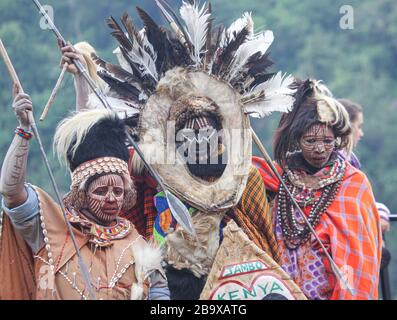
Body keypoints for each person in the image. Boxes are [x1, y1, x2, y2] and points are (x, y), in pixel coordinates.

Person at [55, 2, 302, 300]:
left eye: (206, 131)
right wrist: (83, 79)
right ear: (173, 137)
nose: (198, 140)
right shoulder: (152, 171)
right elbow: (96, 155)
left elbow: (263, 253)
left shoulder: (243, 178)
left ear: (221, 131)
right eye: (189, 132)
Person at [0, 87, 170, 300]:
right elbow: (11, 192)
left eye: (118, 191)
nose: (111, 198)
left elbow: (160, 295)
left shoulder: (139, 245)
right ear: (81, 192)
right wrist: (24, 130)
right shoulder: (49, 227)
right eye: (101, 190)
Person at [253, 79, 382, 300]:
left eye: (328, 141)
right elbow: (243, 178)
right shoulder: (278, 177)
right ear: (296, 140)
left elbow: (358, 258)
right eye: (310, 141)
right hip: (282, 292)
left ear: (338, 140)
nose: (320, 149)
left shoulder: (353, 184)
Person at [338, 98, 391, 270]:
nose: (361, 133)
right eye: (358, 126)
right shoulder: (341, 163)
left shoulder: (349, 160)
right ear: (346, 126)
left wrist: (379, 210)